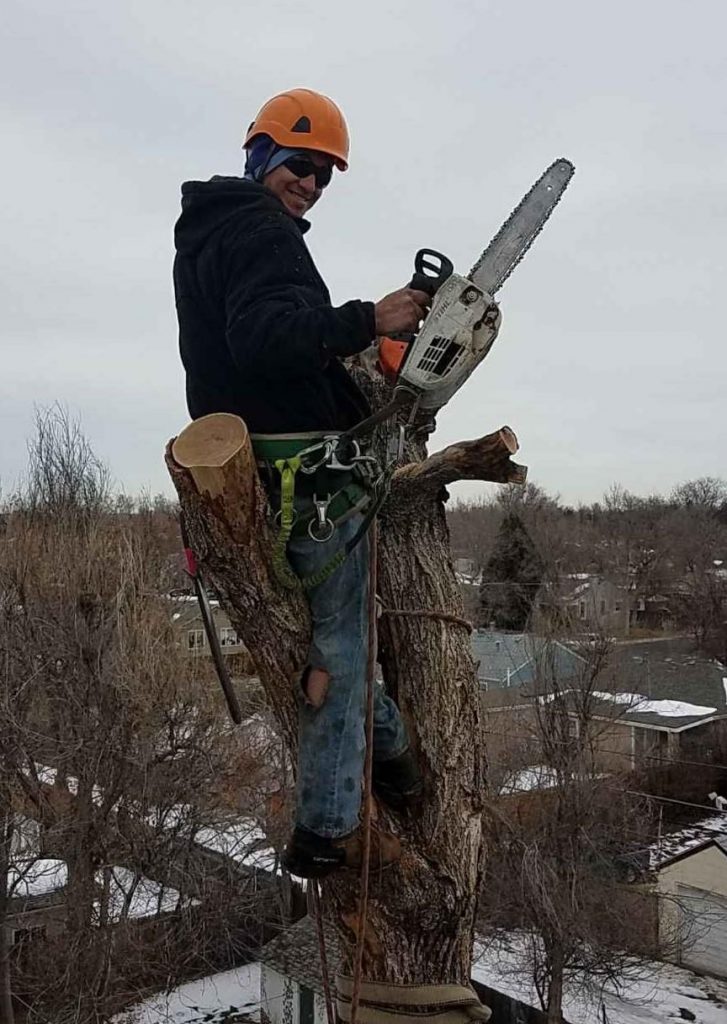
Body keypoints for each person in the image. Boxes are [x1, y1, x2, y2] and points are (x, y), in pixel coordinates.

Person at [173, 88, 428, 878]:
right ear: (263, 156)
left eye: (322, 177)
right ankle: (326, 831)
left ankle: (397, 756)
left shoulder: (209, 233)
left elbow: (258, 344)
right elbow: (265, 339)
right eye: (301, 166)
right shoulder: (260, 230)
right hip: (307, 476)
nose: (311, 184)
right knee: (340, 652)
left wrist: (359, 372)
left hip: (257, 471)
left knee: (321, 648)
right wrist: (367, 320)